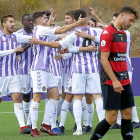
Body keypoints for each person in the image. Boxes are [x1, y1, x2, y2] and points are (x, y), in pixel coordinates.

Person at [29, 9, 102, 136]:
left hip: (50, 69)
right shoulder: (40, 29)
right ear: (39, 21)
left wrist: (67, 32)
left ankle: (46, 124)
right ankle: (34, 128)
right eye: (46, 19)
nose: (48, 20)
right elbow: (61, 32)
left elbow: (60, 38)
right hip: (39, 68)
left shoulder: (46, 30)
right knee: (38, 97)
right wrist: (76, 24)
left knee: (56, 96)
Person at [90, 6, 139, 140]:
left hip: (124, 80)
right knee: (111, 118)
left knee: (128, 114)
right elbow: (104, 59)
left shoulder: (123, 34)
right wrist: (115, 80)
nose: (130, 24)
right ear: (122, 15)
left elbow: (121, 59)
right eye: (130, 20)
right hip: (111, 81)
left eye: (132, 22)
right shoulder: (107, 33)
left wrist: (124, 79)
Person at [0, 14, 32, 134]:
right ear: (4, 24)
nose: (13, 24)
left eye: (14, 22)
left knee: (17, 97)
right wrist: (13, 51)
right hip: (1, 76)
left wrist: (42, 36)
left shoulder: (15, 36)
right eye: (10, 22)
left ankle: (23, 126)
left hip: (13, 74)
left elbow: (30, 38)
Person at [109, 12, 140, 130]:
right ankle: (118, 122)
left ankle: (136, 120)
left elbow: (107, 31)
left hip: (126, 68)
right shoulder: (118, 32)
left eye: (113, 19)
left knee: (126, 94)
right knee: (119, 94)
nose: (112, 22)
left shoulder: (125, 33)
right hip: (119, 68)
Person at [16, 13, 34, 127]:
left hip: (36, 69)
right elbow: (16, 52)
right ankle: (28, 122)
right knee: (26, 96)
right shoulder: (17, 35)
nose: (31, 22)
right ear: (23, 22)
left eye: (32, 20)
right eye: (28, 20)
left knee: (35, 94)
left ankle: (30, 123)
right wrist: (30, 44)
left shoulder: (36, 33)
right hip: (23, 70)